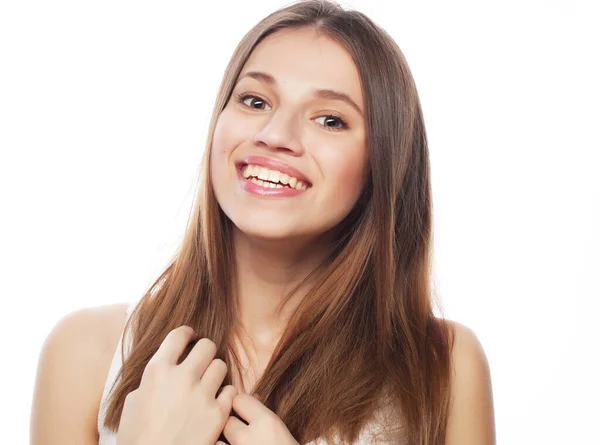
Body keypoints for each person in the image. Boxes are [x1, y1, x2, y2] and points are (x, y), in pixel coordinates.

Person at [30, 1, 495, 444]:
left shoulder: (444, 367)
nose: (275, 135)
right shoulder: (85, 352)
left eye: (330, 120)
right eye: (254, 101)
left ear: (383, 162)